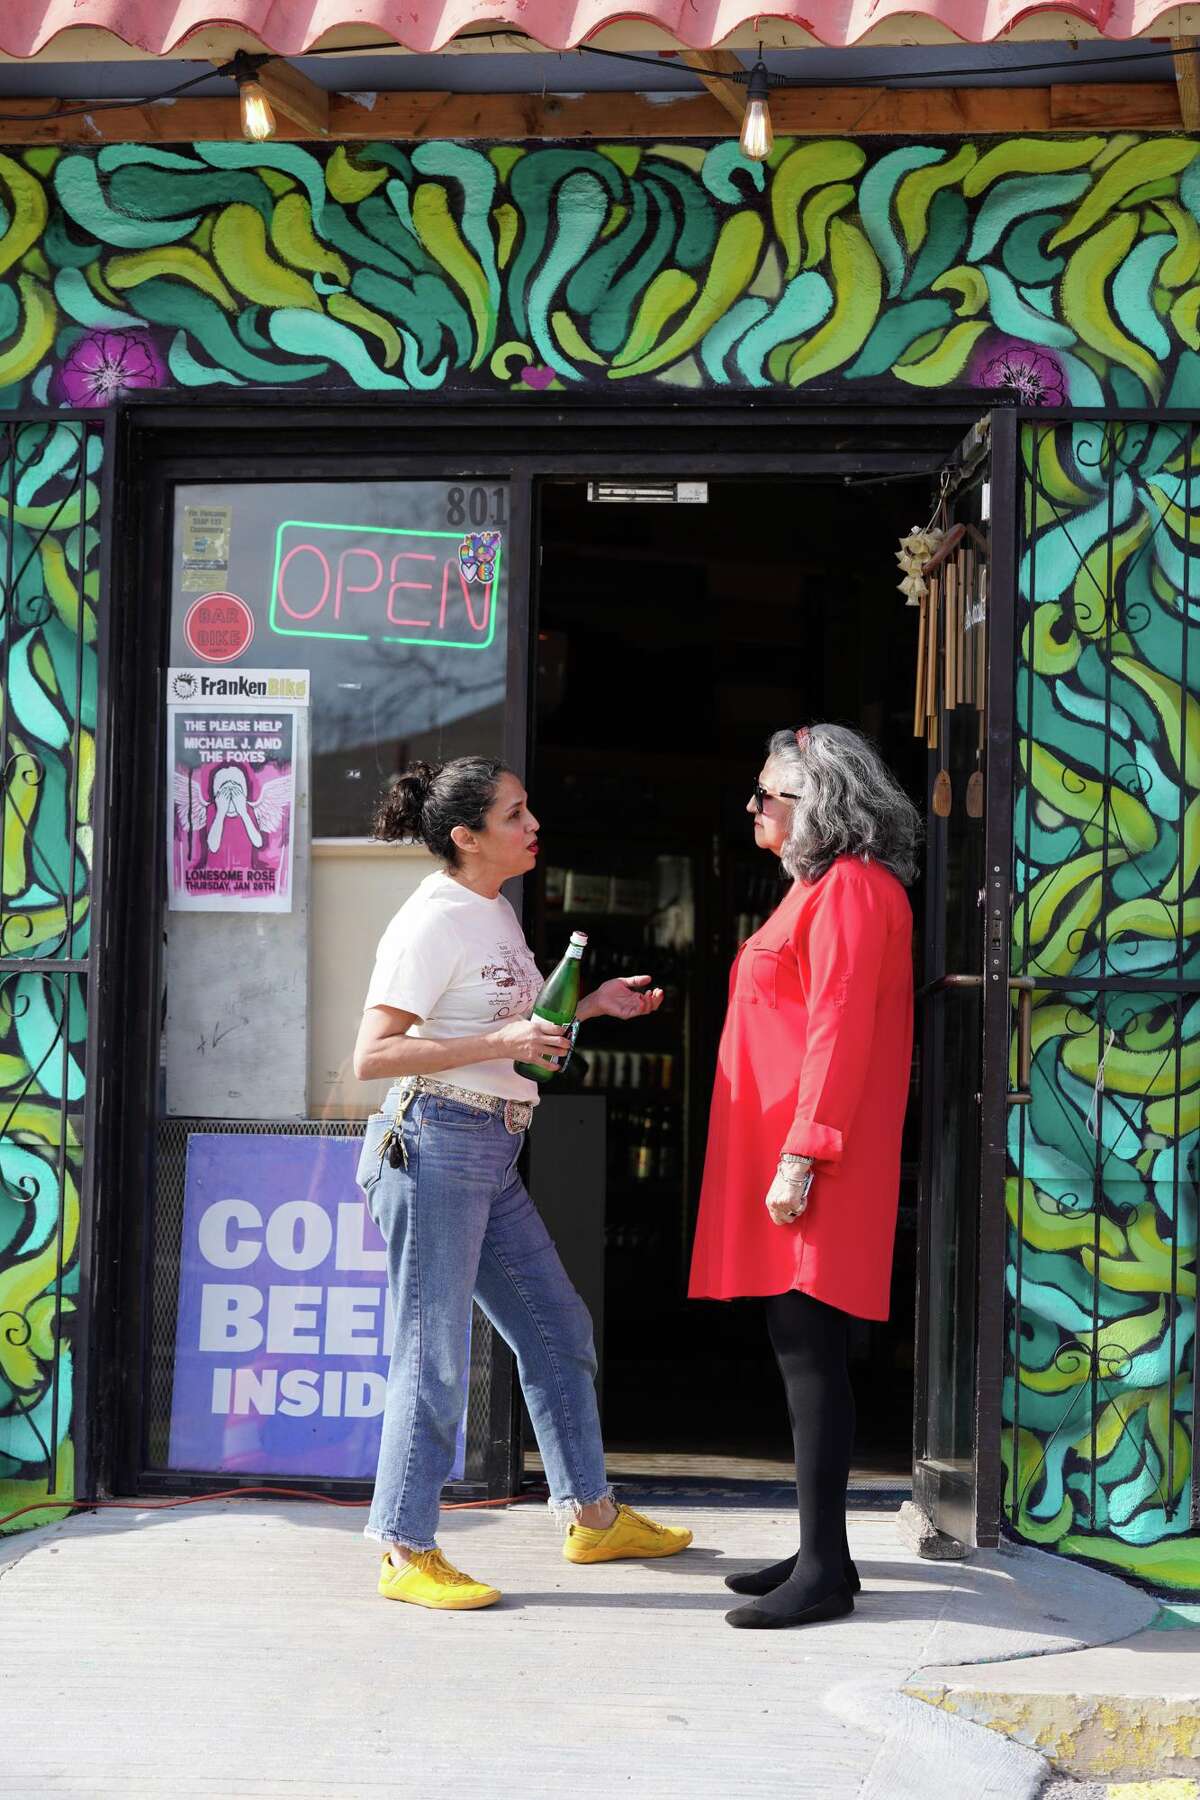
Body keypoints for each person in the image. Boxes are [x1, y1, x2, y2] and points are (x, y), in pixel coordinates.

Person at [353, 756, 693, 1610]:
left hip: (487, 1146)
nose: (533, 824)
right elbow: (374, 1055)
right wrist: (505, 1042)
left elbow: (511, 1021)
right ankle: (402, 1548)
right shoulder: (431, 920)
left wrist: (589, 1006)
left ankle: (592, 1514)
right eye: (514, 814)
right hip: (433, 1141)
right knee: (431, 1360)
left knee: (556, 1330)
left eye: (527, 807)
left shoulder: (493, 909)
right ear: (467, 837)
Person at [689, 725, 918, 1631]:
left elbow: (841, 1026)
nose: (753, 807)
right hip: (799, 1145)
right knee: (801, 1347)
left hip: (818, 1152)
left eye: (768, 795)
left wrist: (804, 1151)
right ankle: (824, 1550)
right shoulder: (825, 889)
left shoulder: (855, 889)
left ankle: (824, 1565)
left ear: (818, 805)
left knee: (808, 1346)